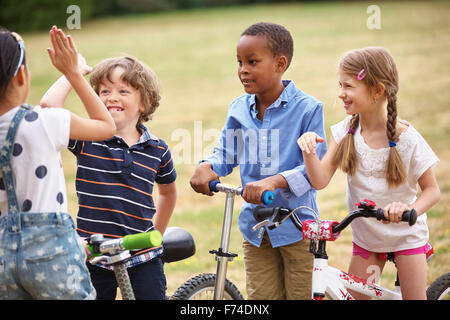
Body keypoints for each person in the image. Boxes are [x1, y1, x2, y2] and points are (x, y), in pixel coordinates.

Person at [190, 22, 327, 300]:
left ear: (280, 63)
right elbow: (227, 152)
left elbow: (314, 170)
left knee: (301, 295)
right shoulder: (238, 108)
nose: (243, 69)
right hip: (256, 228)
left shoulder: (308, 109)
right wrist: (209, 166)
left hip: (298, 228)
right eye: (239, 62)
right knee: (261, 298)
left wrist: (274, 181)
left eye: (252, 62)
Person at [297, 46, 440, 300]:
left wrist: (409, 212)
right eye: (340, 85)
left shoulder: (406, 138)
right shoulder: (345, 133)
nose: (341, 94)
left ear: (377, 90)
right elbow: (319, 181)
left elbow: (432, 191)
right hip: (368, 241)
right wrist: (309, 152)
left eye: (349, 86)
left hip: (406, 238)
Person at [40, 55, 177, 300]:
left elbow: (168, 191)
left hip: (141, 256)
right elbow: (49, 108)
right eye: (104, 91)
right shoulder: (87, 139)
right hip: (93, 255)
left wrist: (156, 234)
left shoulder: (157, 149)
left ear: (145, 103)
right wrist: (74, 72)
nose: (112, 97)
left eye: (123, 91)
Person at [0, 26, 116, 299]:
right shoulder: (42, 122)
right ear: (20, 75)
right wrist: (73, 73)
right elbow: (105, 126)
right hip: (50, 254)